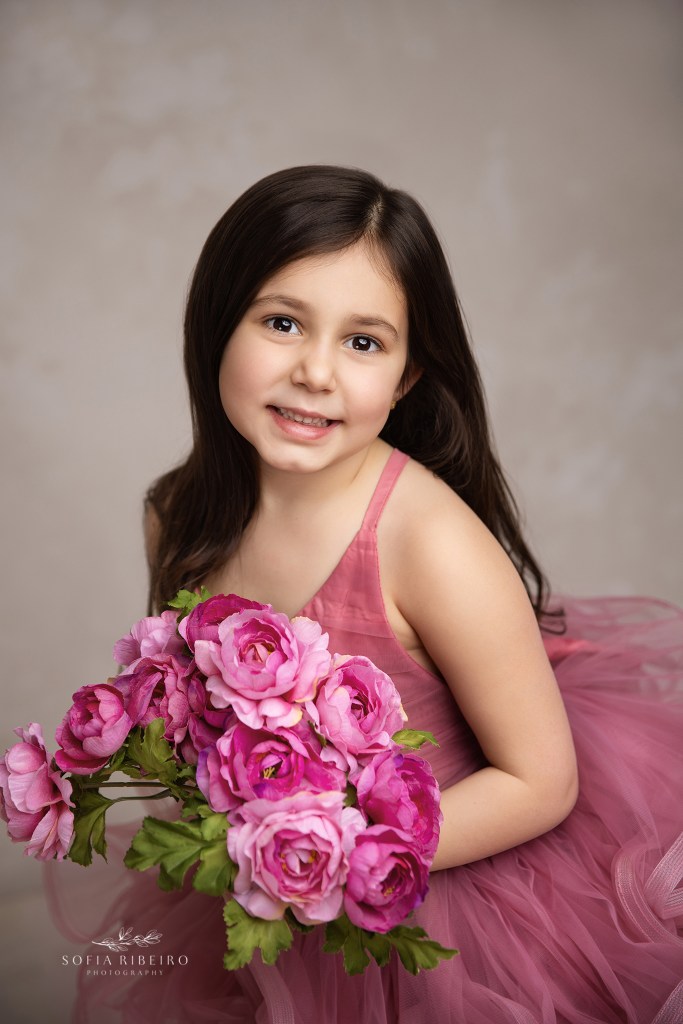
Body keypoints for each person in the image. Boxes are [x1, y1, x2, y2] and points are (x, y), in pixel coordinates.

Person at [48, 165, 683, 1023]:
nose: (315, 371)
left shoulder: (429, 542)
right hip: (275, 887)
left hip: (446, 891)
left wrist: (335, 857)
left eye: (362, 342)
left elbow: (539, 781)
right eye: (280, 323)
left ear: (408, 374)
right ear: (215, 325)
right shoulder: (179, 516)